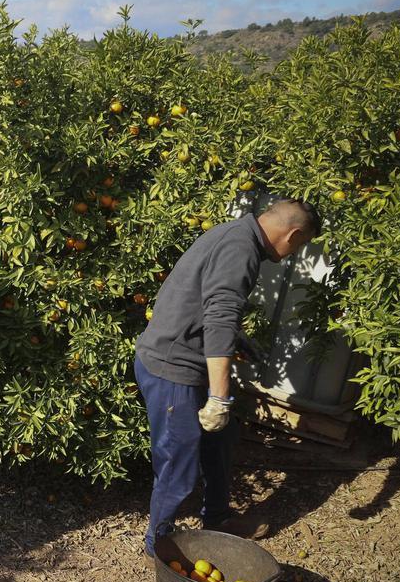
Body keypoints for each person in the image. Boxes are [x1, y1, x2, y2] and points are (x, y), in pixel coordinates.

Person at [134, 197, 320, 558]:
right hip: (173, 369)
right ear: (294, 234)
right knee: (179, 462)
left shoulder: (235, 235)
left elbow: (204, 304)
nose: (294, 253)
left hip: (186, 360)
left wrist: (238, 342)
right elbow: (220, 317)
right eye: (300, 245)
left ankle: (217, 519)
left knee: (220, 443)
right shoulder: (240, 248)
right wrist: (218, 397)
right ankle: (159, 545)